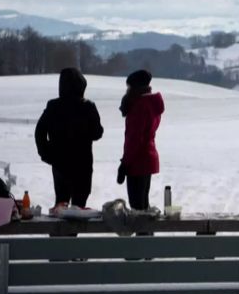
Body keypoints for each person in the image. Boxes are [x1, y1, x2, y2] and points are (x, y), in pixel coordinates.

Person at [35, 67, 104, 208]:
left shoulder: (53, 106)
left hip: (60, 163)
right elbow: (97, 133)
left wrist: (46, 154)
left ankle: (60, 231)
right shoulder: (88, 107)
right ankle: (68, 231)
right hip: (82, 165)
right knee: (78, 208)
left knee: (61, 204)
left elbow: (39, 132)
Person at [118, 69, 165, 212]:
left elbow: (134, 140)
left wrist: (124, 165)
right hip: (148, 158)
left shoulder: (140, 106)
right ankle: (146, 234)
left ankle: (144, 234)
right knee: (144, 206)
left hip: (138, 162)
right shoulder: (151, 103)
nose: (127, 90)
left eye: (129, 87)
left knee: (138, 210)